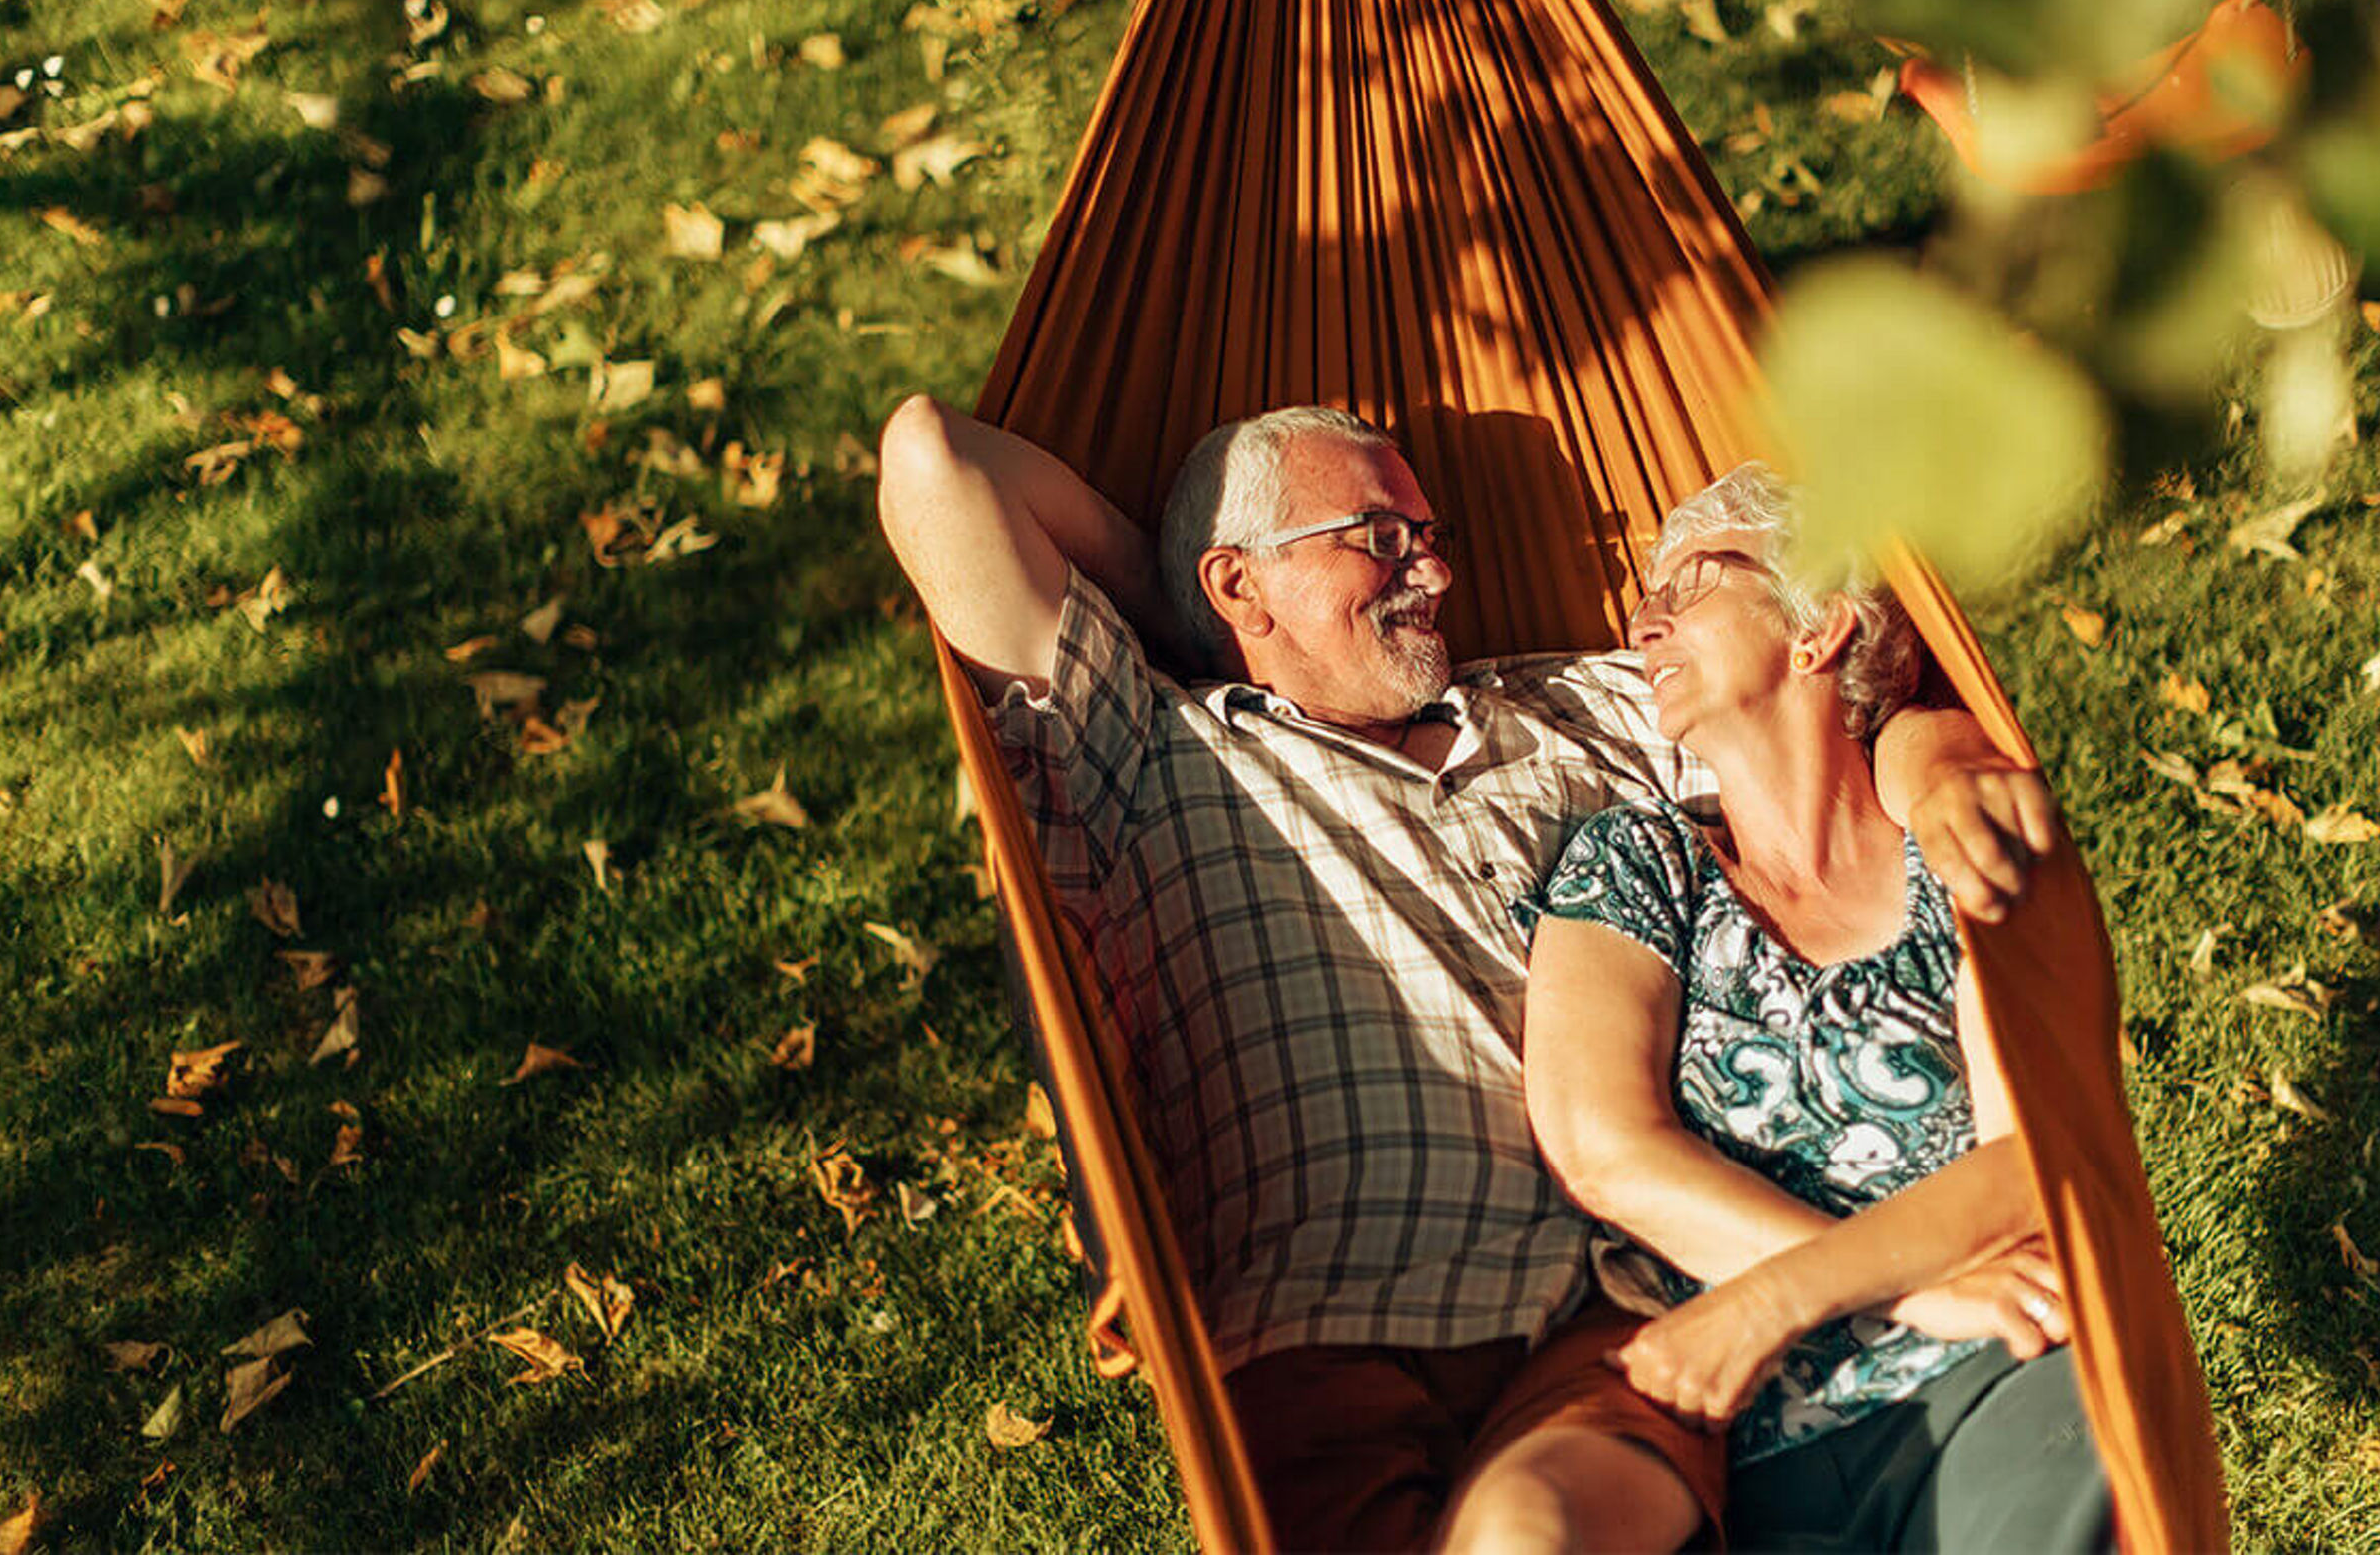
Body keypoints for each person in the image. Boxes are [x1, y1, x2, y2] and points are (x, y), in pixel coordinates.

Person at [876, 396, 2060, 1552]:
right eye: (1380, 539)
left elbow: (1822, 701)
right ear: (1237, 581)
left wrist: (1945, 765)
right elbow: (934, 462)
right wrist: (1189, 611)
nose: (1432, 574)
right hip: (1318, 1341)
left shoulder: (1578, 707)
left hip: (1609, 1315)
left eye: (1432, 540)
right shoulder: (1143, 751)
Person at [1443, 463, 2109, 1552]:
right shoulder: (1636, 865)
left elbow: (2037, 1154)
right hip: (1741, 1440)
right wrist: (1909, 1291)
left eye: (1691, 582)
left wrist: (1769, 1301)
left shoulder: (1955, 842)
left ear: (1817, 629)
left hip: (2002, 1374)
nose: (1640, 622)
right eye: (1644, 594)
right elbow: (1607, 1150)